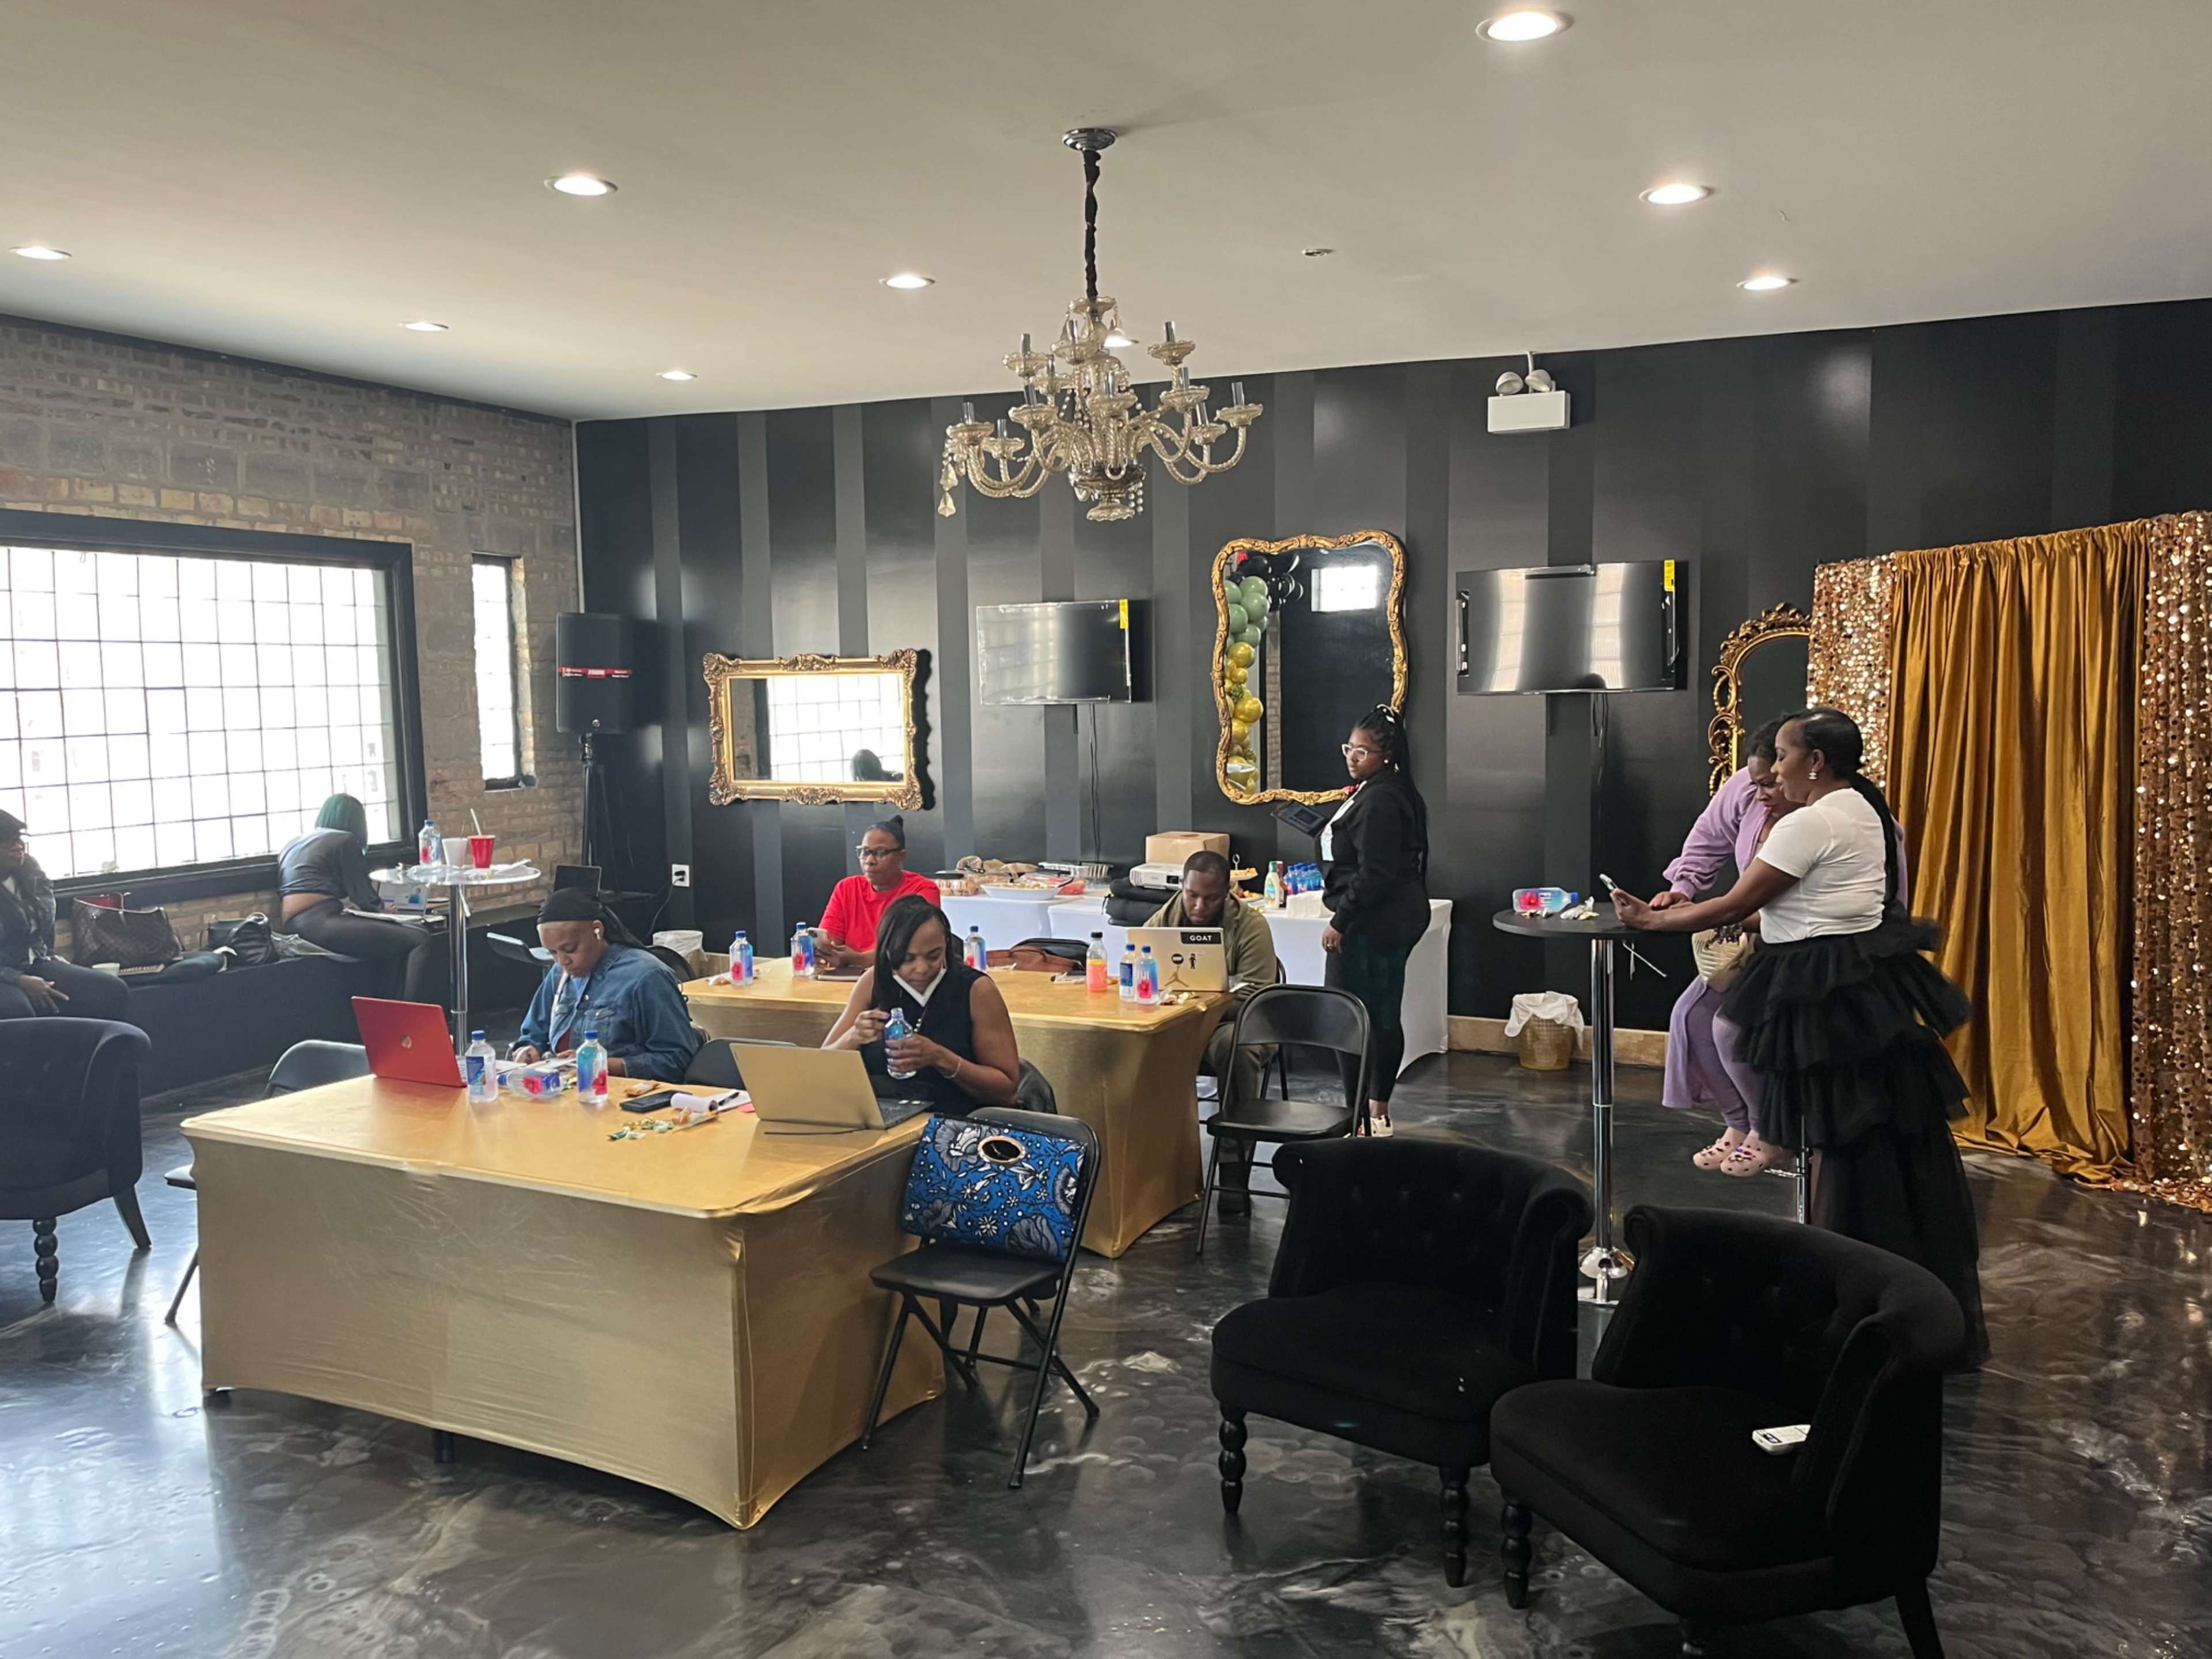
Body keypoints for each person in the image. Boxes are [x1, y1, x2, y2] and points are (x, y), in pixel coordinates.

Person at [1613, 707, 1986, 1367]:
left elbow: (1737, 903)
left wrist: (1650, 921)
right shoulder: (1865, 808)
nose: (1773, 770)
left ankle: (1837, 1298)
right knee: (1858, 1148)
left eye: (1783, 755)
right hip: (1866, 984)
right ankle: (1879, 1290)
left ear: (1815, 761)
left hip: (1819, 990)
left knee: (1834, 1145)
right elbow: (1799, 903)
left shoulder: (1809, 823)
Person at [1653, 718, 1792, 1173]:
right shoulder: (1747, 789)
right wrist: (1683, 888)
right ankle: (1740, 1123)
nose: (1760, 793)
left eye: (1770, 783)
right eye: (1756, 783)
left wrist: (1703, 915)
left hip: (1805, 949)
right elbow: (1707, 839)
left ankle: (1769, 1130)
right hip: (1756, 940)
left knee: (1730, 1026)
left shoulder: (1821, 819)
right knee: (1691, 1016)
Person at [1147, 848, 1280, 1214]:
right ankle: (1156, 1163)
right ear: (1182, 887)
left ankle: (1233, 1167)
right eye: (1192, 895)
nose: (1199, 906)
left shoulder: (1251, 927)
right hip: (1179, 1024)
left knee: (1234, 1048)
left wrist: (1199, 1001)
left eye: (1211, 898)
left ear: (1227, 893)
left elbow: (1257, 997)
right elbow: (1141, 971)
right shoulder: (1164, 920)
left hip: (1236, 1024)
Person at [1319, 705, 1430, 1137]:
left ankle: (1367, 1114)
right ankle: (1367, 1112)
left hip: (1375, 921)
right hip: (1384, 916)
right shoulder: (1381, 789)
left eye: (1362, 752)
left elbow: (1375, 873)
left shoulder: (1381, 798)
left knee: (1360, 1016)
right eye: (1349, 748)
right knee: (1374, 1012)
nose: (1352, 757)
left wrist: (1341, 921)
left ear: (1386, 756)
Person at [822, 893, 1021, 1115]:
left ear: (946, 946)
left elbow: (1007, 1090)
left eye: (933, 956)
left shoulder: (976, 990)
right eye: (907, 959)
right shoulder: (874, 981)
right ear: (887, 952)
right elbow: (822, 1064)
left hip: (954, 1121)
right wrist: (853, 1037)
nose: (922, 969)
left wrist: (940, 1057)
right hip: (880, 1116)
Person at [510, 887, 701, 1082]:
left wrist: (601, 1064)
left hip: (625, 1093)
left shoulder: (647, 977)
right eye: (552, 952)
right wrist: (529, 1049)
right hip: (565, 1089)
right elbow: (534, 1033)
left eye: (570, 949)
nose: (562, 961)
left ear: (597, 930)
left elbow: (677, 1059)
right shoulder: (560, 974)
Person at [276, 795, 445, 1003]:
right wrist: (384, 910)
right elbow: (364, 898)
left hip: (296, 925)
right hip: (319, 922)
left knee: (399, 938)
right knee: (420, 938)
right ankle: (409, 1018)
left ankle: (388, 1010)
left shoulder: (295, 842)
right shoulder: (344, 840)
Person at [0, 810, 132, 1022]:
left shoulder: (30, 873)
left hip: (34, 962)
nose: (18, 846)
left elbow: (42, 922)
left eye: (19, 839)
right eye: (8, 842)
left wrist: (50, 953)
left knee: (110, 991)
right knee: (19, 1011)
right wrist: (19, 980)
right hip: (5, 974)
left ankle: (95, 1045)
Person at [818, 816, 941, 971]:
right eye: (865, 852)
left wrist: (859, 959)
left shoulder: (922, 890)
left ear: (901, 856)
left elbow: (914, 949)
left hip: (902, 977)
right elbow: (829, 943)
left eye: (881, 853)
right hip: (846, 976)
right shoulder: (846, 888)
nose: (870, 861)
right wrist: (826, 952)